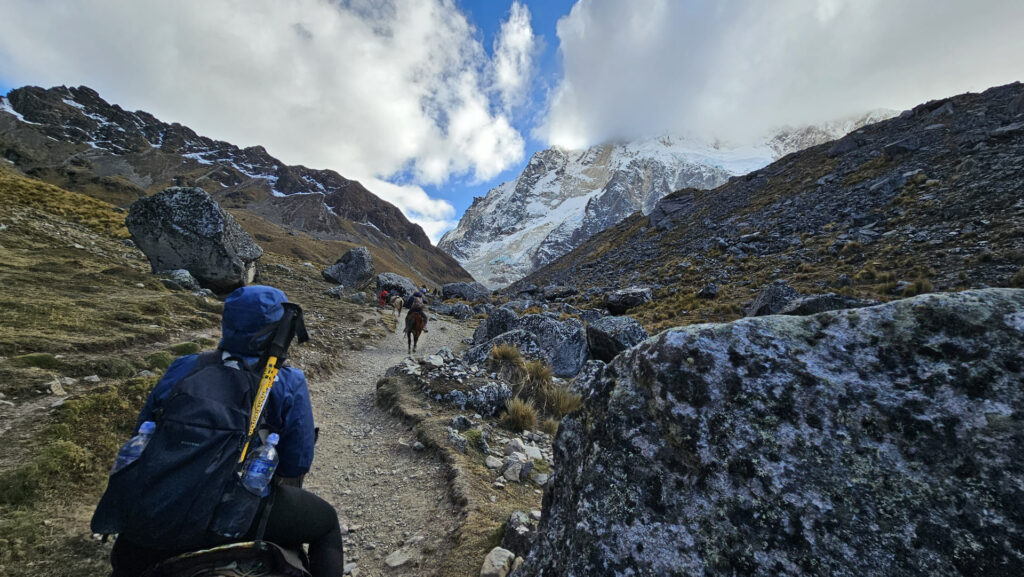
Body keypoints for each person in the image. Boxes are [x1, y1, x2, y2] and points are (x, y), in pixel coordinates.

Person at [109, 286, 343, 577]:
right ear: (279, 328)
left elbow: (141, 435)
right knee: (327, 524)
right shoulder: (287, 381)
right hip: (235, 509)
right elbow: (297, 462)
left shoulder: (184, 367)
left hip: (160, 500)